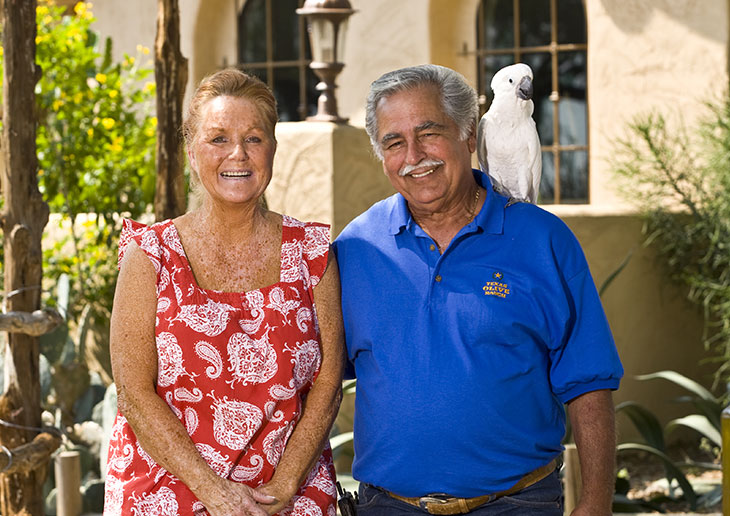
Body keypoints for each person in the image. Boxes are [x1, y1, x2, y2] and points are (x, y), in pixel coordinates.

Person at [332, 64, 624, 516]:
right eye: (394, 142)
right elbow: (316, 378)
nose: (414, 155)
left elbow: (589, 384)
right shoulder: (355, 248)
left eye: (429, 133)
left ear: (470, 135)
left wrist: (595, 504)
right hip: (386, 507)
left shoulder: (543, 240)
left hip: (517, 504)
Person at [104, 68, 345, 516]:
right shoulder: (150, 255)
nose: (238, 153)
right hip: (165, 493)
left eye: (254, 138)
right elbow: (134, 391)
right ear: (193, 153)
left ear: (272, 149)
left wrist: (284, 487)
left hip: (290, 497)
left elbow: (328, 383)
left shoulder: (312, 253)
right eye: (218, 139)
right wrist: (212, 491)